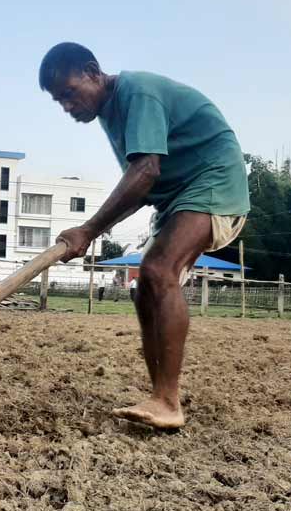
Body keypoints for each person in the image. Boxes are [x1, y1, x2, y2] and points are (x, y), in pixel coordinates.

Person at [40, 42, 250, 429]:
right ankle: (159, 396)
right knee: (145, 287)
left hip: (213, 181)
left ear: (92, 71)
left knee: (158, 270)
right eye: (59, 101)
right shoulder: (110, 113)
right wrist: (90, 232)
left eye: (69, 93)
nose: (67, 106)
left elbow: (145, 172)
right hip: (175, 198)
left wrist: (88, 230)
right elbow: (142, 186)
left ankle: (168, 401)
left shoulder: (137, 92)